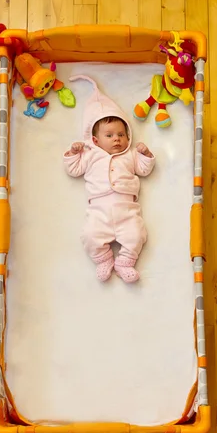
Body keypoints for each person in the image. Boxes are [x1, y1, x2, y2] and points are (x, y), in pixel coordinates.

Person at [63, 76, 155, 283]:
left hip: (127, 210)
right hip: (99, 211)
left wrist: (145, 155)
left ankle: (125, 262)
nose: (117, 139)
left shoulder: (130, 155)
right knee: (90, 236)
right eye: (110, 135)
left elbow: (144, 169)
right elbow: (73, 170)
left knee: (137, 235)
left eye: (121, 135)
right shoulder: (90, 154)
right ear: (95, 140)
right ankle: (103, 259)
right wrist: (73, 153)